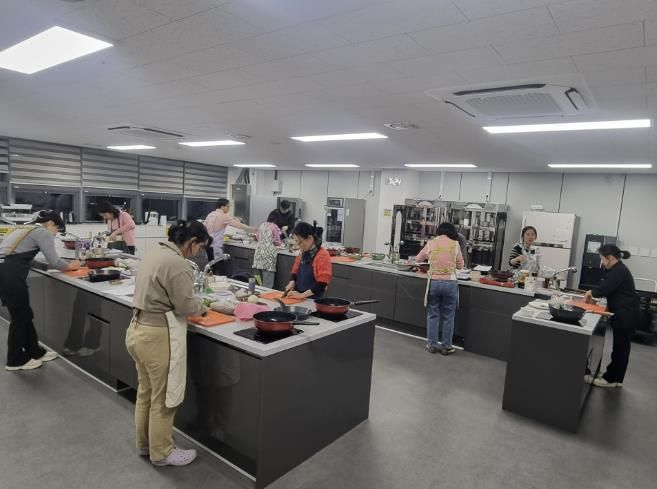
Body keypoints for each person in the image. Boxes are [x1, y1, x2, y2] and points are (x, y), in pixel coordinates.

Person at [126, 220, 210, 466]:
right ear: (191, 242)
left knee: (146, 392)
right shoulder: (177, 263)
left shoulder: (155, 252)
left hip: (137, 330)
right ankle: (162, 452)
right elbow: (186, 306)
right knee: (164, 398)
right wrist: (203, 308)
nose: (198, 252)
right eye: (199, 247)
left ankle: (145, 444)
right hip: (157, 336)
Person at [0, 210, 81, 371]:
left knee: (24, 314)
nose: (55, 234)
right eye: (57, 229)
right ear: (50, 223)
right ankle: (15, 360)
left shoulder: (23, 228)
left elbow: (24, 258)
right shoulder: (42, 232)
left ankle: (35, 351)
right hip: (11, 273)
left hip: (5, 271)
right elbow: (56, 262)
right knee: (20, 317)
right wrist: (71, 266)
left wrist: (46, 267)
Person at [584, 245, 640, 388]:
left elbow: (604, 288)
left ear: (609, 258)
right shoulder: (618, 269)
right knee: (620, 348)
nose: (602, 263)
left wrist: (590, 293)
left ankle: (612, 380)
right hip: (625, 313)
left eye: (602, 259)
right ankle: (615, 377)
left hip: (626, 314)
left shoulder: (618, 271)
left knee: (620, 349)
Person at [417, 222, 464, 355]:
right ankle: (446, 347)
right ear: (451, 232)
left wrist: (431, 258)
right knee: (448, 316)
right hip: (450, 283)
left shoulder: (431, 243)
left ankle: (432, 345)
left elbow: (418, 258)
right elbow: (460, 265)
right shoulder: (455, 244)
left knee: (433, 314)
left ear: (439, 231)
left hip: (434, 282)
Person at [204, 198, 253, 273]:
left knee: (210, 268)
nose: (229, 208)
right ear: (222, 206)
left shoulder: (210, 214)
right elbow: (239, 225)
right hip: (216, 247)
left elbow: (205, 227)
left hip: (208, 245)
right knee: (219, 269)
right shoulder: (223, 216)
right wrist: (253, 229)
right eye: (227, 206)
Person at [285, 222, 332, 299]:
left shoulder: (322, 255)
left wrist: (302, 295)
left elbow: (322, 284)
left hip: (313, 299)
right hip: (298, 295)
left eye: (299, 242)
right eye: (296, 241)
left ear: (309, 238)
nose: (298, 245)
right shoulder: (303, 252)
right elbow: (295, 271)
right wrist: (292, 281)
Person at [252, 215, 282, 289]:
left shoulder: (262, 225)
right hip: (268, 254)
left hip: (259, 252)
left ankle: (257, 293)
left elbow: (257, 237)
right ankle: (265, 293)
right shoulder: (274, 226)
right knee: (267, 282)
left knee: (258, 279)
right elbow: (278, 242)